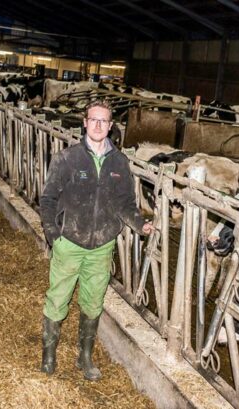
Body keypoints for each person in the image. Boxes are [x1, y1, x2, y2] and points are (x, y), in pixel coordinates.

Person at [39, 99, 153, 381]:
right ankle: (49, 354)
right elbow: (48, 199)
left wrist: (140, 224)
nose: (99, 125)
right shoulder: (67, 159)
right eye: (94, 120)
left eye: (104, 121)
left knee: (92, 302)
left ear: (111, 126)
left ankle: (84, 356)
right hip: (70, 241)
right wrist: (54, 235)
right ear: (85, 123)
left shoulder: (120, 162)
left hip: (102, 245)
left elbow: (126, 202)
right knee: (58, 298)